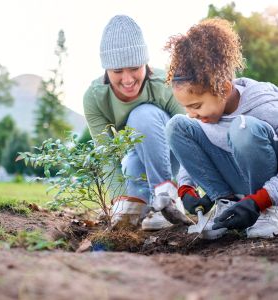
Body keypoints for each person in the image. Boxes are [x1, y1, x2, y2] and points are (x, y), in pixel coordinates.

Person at [164, 18, 278, 239]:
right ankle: (227, 206)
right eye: (187, 106)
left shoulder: (266, 107)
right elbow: (199, 143)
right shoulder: (209, 113)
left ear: (224, 89)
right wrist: (186, 187)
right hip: (242, 191)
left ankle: (269, 213)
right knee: (176, 126)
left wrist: (261, 200)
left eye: (196, 106)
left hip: (269, 193)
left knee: (242, 129)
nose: (192, 113)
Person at [83, 15, 185, 230]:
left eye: (134, 68)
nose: (127, 80)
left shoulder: (165, 84)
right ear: (106, 70)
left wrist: (185, 187)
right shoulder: (94, 97)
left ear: (145, 64)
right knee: (132, 204)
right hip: (135, 159)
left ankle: (166, 195)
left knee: (142, 115)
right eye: (117, 71)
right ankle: (151, 205)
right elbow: (106, 155)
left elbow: (189, 136)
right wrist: (120, 198)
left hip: (171, 154)